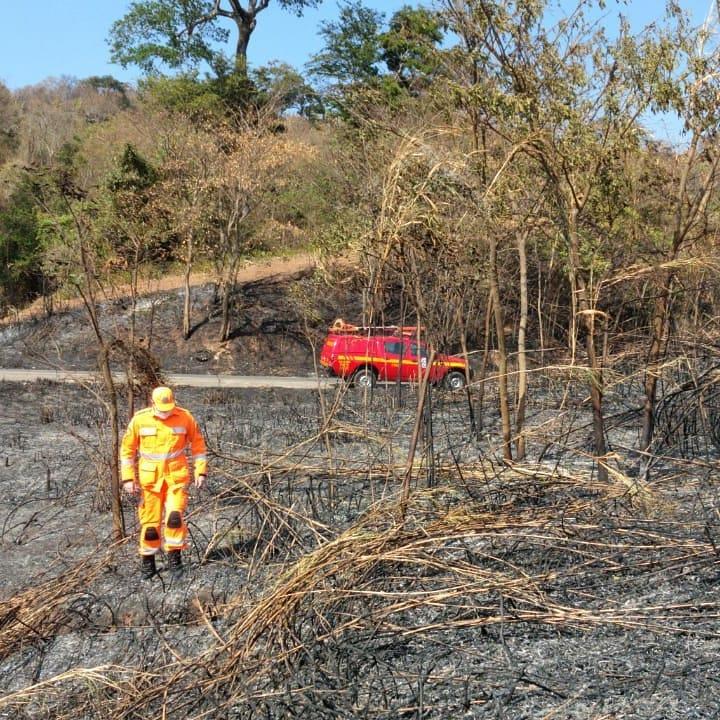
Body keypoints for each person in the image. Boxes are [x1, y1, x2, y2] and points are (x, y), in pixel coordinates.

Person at [120, 386, 207, 580]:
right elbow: (127, 451)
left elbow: (198, 446)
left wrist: (200, 471)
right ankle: (147, 564)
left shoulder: (185, 418)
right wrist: (128, 478)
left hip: (176, 478)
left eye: (168, 408)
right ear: (152, 404)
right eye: (162, 408)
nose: (166, 412)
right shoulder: (140, 420)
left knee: (174, 518)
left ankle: (175, 559)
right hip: (150, 481)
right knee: (150, 526)